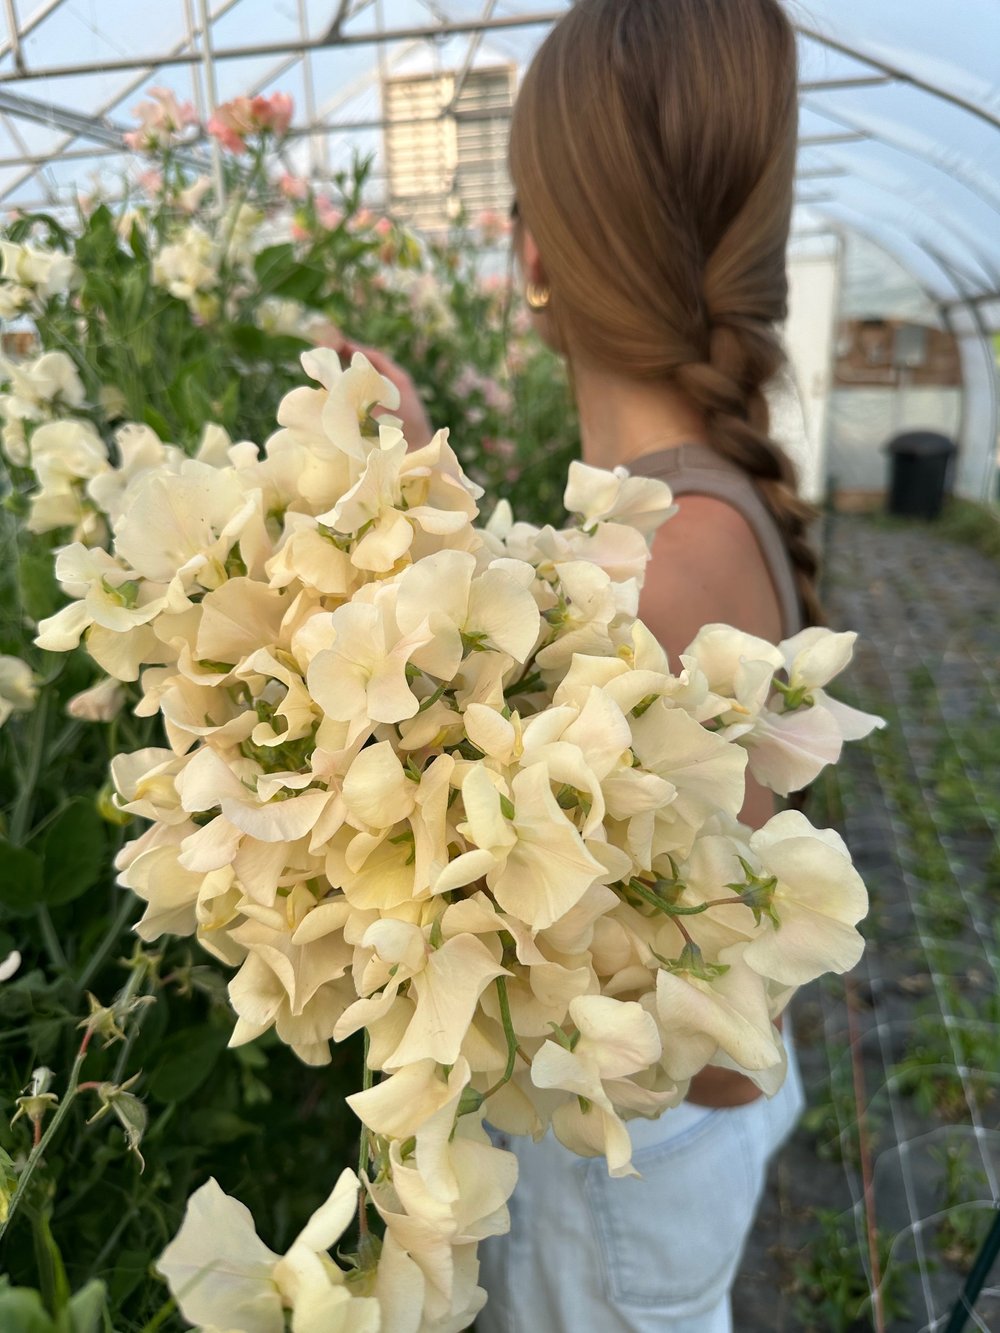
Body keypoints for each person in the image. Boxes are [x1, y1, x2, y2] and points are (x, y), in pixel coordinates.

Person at [350, 2, 816, 1326]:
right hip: (671, 1131)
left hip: (623, 1170)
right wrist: (422, 499)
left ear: (538, 256)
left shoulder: (663, 564)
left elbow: (492, 878)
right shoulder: (673, 518)